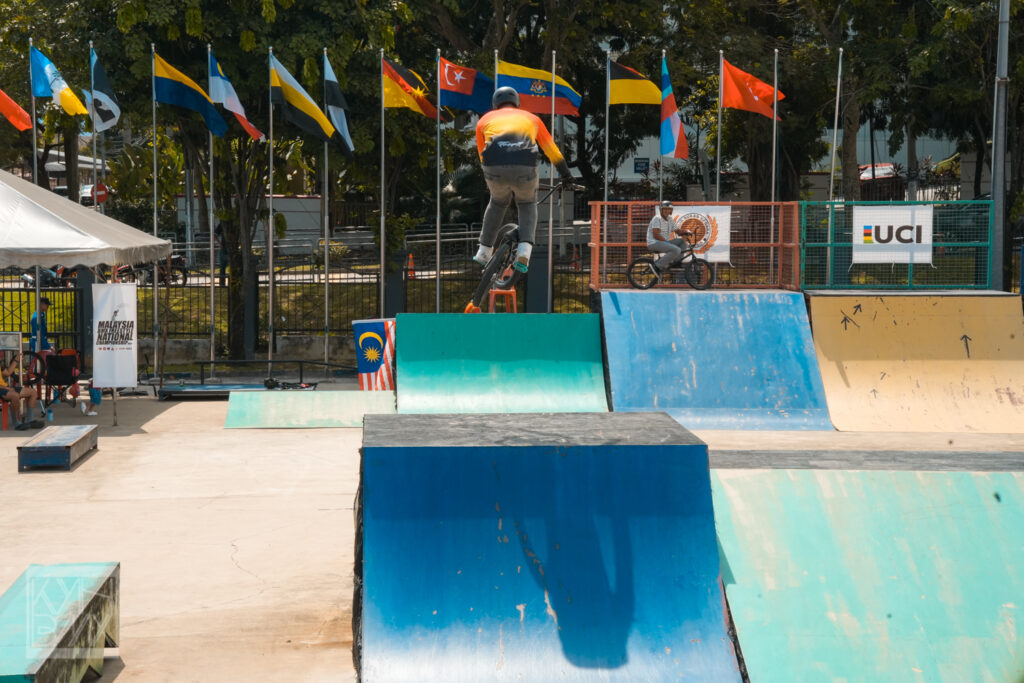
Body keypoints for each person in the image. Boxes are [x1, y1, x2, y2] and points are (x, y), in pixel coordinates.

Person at [474, 86, 573, 273]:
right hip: (525, 165)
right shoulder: (532, 118)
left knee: (497, 202)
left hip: (493, 166)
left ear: (495, 104)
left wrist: (493, 177)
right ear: (517, 103)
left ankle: (484, 251)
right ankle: (524, 252)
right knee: (527, 203)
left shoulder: (483, 121)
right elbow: (551, 150)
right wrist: (566, 174)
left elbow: (482, 154)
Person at [0, 353, 42, 430]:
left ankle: (29, 420)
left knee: (33, 392)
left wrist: (16, 360)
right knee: (15, 396)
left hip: (5, 387)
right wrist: (7, 388)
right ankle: (16, 423)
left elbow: (7, 373)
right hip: (2, 389)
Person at [647, 201, 689, 277]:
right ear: (661, 210)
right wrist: (667, 242)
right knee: (676, 250)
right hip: (654, 243)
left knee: (682, 242)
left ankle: (676, 263)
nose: (667, 211)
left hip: (664, 242)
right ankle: (657, 266)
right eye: (665, 209)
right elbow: (656, 235)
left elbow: (677, 231)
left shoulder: (669, 219)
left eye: (669, 209)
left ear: (671, 210)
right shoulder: (657, 218)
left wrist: (685, 232)